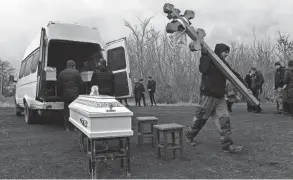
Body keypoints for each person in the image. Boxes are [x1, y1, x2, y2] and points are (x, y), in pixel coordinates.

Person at [185, 43, 248, 153]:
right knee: (201, 119)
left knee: (224, 120)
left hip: (220, 97)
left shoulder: (224, 64)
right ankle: (189, 136)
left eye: (228, 52)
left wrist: (246, 86)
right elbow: (203, 69)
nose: (227, 54)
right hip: (208, 95)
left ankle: (227, 145)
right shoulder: (209, 58)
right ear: (219, 51)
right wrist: (204, 55)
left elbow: (234, 75)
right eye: (225, 51)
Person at [57, 60, 83, 131]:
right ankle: (75, 127)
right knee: (75, 110)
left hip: (65, 94)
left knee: (66, 111)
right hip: (74, 94)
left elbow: (59, 85)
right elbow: (80, 83)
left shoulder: (62, 73)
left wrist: (61, 93)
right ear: (74, 65)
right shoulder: (76, 72)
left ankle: (67, 127)